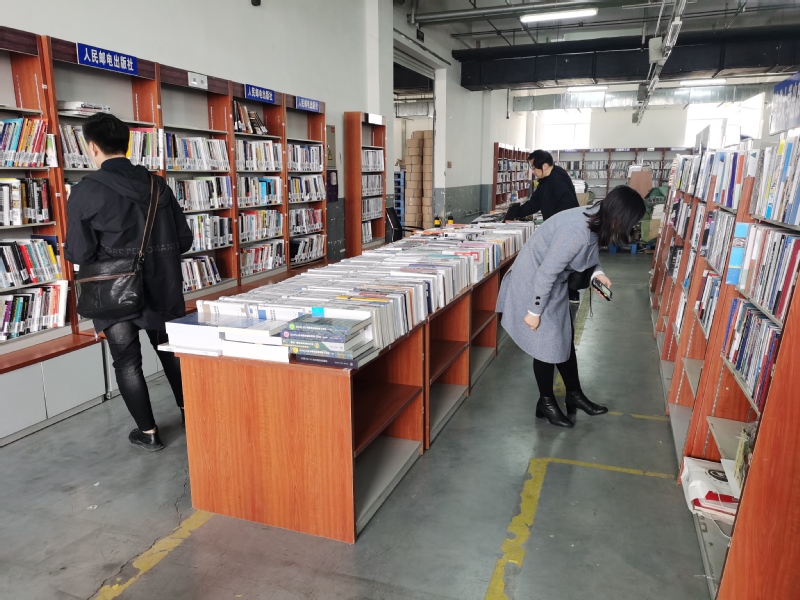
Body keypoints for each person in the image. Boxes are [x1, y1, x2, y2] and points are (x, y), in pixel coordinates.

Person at [65, 113, 193, 451]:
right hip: (163, 286)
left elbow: (79, 252)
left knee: (126, 361)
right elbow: (184, 240)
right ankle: (191, 415)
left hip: (114, 292)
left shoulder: (84, 191)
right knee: (171, 353)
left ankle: (148, 433)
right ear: (128, 144)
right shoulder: (157, 185)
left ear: (92, 148)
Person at [496, 186, 646, 428]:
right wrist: (534, 311)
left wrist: (597, 273)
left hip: (552, 281)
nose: (631, 227)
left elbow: (589, 252)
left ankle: (574, 395)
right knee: (545, 344)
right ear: (620, 216)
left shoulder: (597, 216)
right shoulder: (577, 231)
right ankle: (545, 402)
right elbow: (546, 272)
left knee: (563, 337)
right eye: (631, 222)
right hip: (534, 282)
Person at [505, 149, 582, 302]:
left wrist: (555, 226)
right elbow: (535, 202)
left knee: (565, 261)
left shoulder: (558, 180)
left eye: (534, 168)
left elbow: (568, 206)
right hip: (555, 228)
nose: (533, 171)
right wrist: (514, 213)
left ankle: (571, 292)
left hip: (565, 229)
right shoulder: (545, 180)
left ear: (545, 165)